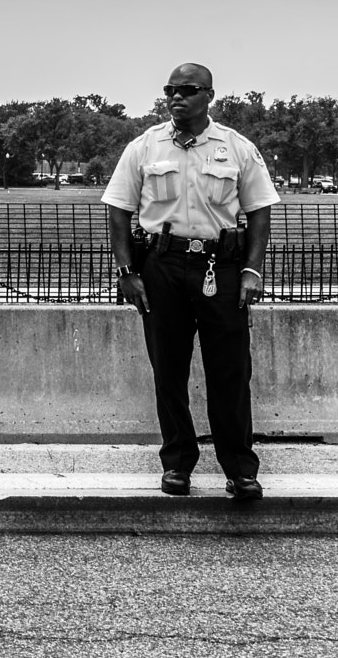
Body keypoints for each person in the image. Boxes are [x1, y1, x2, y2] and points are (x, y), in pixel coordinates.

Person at [105, 62, 276, 501]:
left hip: (221, 266)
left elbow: (259, 211)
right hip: (162, 265)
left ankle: (240, 470)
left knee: (231, 372)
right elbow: (118, 210)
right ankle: (177, 464)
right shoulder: (144, 147)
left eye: (188, 89)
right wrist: (128, 272)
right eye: (170, 90)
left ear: (209, 96)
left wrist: (253, 270)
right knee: (169, 370)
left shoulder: (236, 148)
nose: (177, 97)